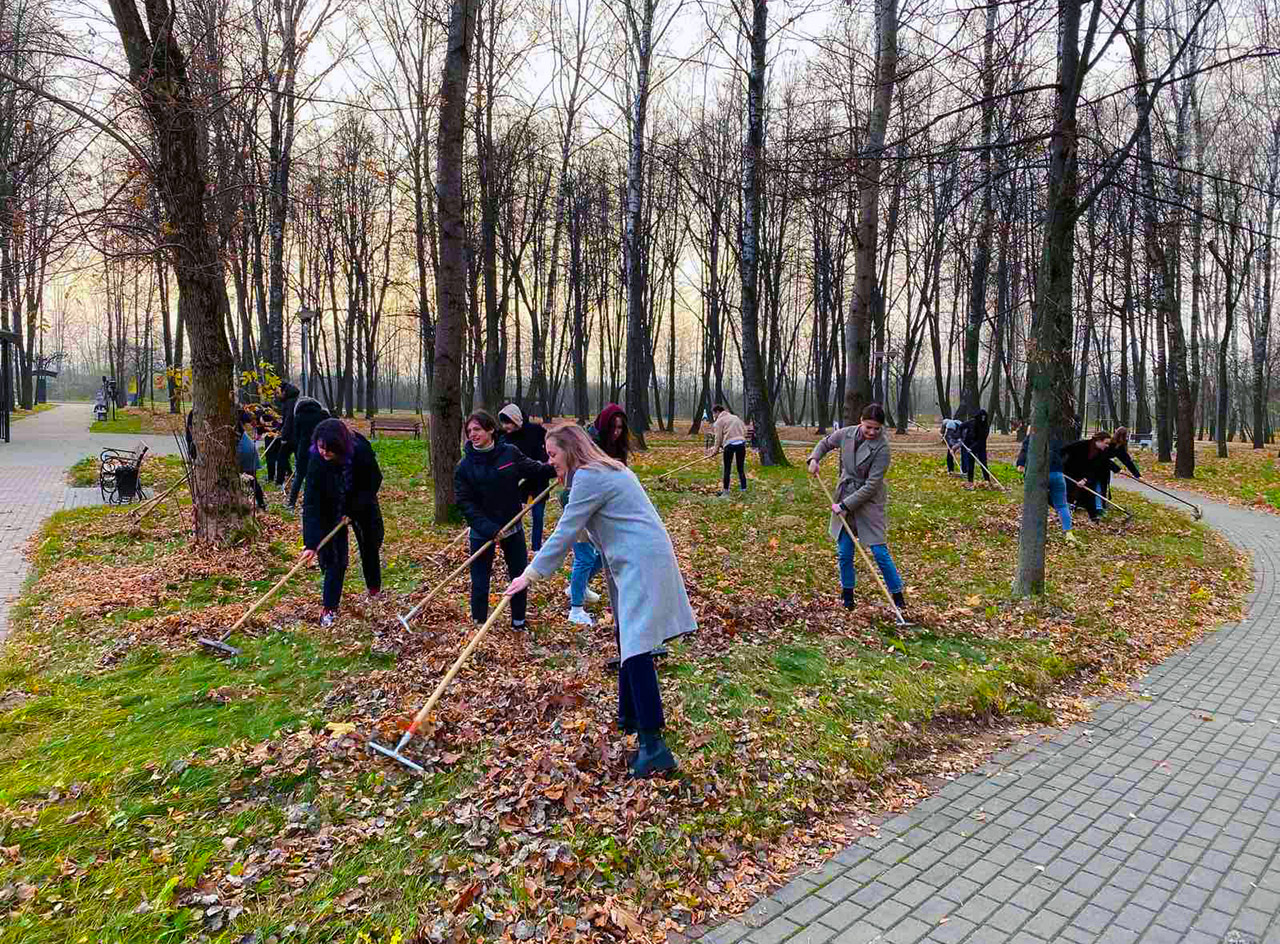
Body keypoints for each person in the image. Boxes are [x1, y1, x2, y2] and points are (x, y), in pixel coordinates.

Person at [503, 424, 695, 779]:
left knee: (637, 646)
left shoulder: (592, 476)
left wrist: (528, 575)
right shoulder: (606, 470)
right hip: (632, 559)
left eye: (553, 455)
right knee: (626, 636)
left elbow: (566, 532)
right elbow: (588, 528)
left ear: (571, 450)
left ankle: (655, 746)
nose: (550, 463)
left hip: (641, 561)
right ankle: (630, 716)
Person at [455, 410, 555, 629]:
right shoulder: (465, 466)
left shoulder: (509, 453)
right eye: (469, 431)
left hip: (512, 526)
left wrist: (558, 467)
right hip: (483, 531)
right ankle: (479, 623)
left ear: (490, 429)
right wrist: (488, 528)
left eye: (477, 429)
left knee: (518, 576)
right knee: (480, 582)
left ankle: (518, 621)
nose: (473, 434)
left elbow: (535, 469)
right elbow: (465, 503)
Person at [807, 403, 907, 612]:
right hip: (844, 493)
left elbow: (872, 486)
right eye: (868, 427)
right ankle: (848, 595)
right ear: (860, 421)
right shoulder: (847, 434)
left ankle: (897, 595)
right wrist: (815, 458)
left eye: (876, 428)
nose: (872, 432)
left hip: (868, 502)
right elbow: (825, 443)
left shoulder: (882, 448)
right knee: (844, 552)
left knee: (879, 551)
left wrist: (845, 505)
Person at [299, 418, 384, 627]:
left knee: (370, 545)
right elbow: (311, 502)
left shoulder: (359, 450)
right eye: (321, 447)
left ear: (341, 446)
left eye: (329, 449)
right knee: (333, 557)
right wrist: (311, 543)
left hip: (361, 502)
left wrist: (354, 510)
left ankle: (374, 590)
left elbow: (374, 480)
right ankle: (329, 608)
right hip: (331, 505)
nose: (324, 453)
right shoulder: (316, 460)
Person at [497, 403, 550, 551]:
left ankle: (536, 548)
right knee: (515, 516)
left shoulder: (536, 431)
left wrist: (545, 461)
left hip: (538, 480)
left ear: (516, 420)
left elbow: (549, 446)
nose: (505, 426)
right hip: (518, 483)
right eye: (503, 422)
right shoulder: (504, 438)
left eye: (508, 422)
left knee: (538, 516)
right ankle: (515, 546)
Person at [1016, 427, 1077, 544]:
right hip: (1057, 475)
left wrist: (1021, 464)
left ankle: (1032, 532)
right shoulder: (1055, 438)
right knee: (1062, 505)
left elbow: (1024, 451)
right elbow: (1064, 453)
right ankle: (1069, 533)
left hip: (1039, 475)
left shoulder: (1032, 438)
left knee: (1033, 504)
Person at [285, 394, 331, 509]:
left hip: (303, 450)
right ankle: (318, 502)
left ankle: (291, 503)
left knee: (299, 477)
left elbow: (296, 436)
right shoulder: (322, 414)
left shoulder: (299, 416)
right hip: (319, 449)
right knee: (319, 476)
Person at [1060, 431, 1113, 523]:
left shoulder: (1101, 453)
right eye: (1106, 443)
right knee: (1069, 494)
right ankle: (1065, 516)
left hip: (1085, 475)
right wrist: (1056, 464)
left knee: (1089, 495)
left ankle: (1093, 517)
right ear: (1099, 441)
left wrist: (1085, 479)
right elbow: (1063, 450)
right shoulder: (1081, 445)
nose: (1107, 446)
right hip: (1069, 473)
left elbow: (1095, 469)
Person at [1096, 427, 1141, 515]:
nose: (1127, 438)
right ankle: (1096, 506)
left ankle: (1102, 505)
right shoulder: (1109, 443)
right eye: (1126, 436)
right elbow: (1102, 458)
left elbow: (1127, 460)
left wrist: (1137, 475)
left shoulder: (1119, 447)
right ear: (1121, 436)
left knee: (1104, 485)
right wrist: (1117, 469)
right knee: (1097, 485)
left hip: (1105, 468)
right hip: (1096, 465)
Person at [706, 403, 748, 495]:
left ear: (717, 412)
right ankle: (744, 489)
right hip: (741, 444)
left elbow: (718, 438)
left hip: (729, 445)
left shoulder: (719, 422)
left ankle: (725, 491)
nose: (714, 416)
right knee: (740, 468)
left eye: (714, 414)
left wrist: (715, 451)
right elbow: (745, 430)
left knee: (727, 469)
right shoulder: (735, 417)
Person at [237, 409, 267, 511]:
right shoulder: (237, 421)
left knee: (250, 479)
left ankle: (260, 504)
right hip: (247, 448)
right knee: (252, 479)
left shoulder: (233, 422)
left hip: (244, 450)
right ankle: (261, 503)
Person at [960, 408, 992, 487]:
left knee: (983, 463)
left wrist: (972, 447)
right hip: (970, 445)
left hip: (980, 446)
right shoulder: (971, 422)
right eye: (982, 417)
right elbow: (961, 426)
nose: (983, 419)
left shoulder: (985, 427)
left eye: (984, 417)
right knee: (971, 464)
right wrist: (961, 437)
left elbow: (982, 439)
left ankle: (987, 480)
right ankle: (970, 481)